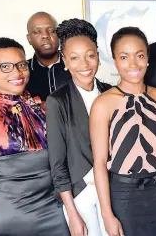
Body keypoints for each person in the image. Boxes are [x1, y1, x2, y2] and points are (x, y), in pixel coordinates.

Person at [0, 37, 69, 236]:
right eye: (5, 66)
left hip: (57, 213)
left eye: (21, 64)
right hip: (15, 219)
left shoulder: (47, 108)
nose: (16, 72)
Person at [90, 27, 156, 236]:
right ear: (115, 61)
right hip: (123, 195)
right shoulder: (103, 103)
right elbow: (99, 164)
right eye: (124, 57)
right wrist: (107, 214)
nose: (133, 64)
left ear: (148, 59)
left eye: (139, 56)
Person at [47, 18, 113, 236]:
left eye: (90, 55)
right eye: (74, 58)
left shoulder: (111, 93)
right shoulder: (57, 101)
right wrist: (72, 211)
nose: (84, 65)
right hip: (81, 194)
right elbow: (57, 164)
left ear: (98, 56)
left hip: (113, 188)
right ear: (64, 61)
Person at [25, 11, 71, 100]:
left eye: (51, 31)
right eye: (37, 32)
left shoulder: (75, 66)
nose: (45, 36)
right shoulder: (21, 72)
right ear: (29, 39)